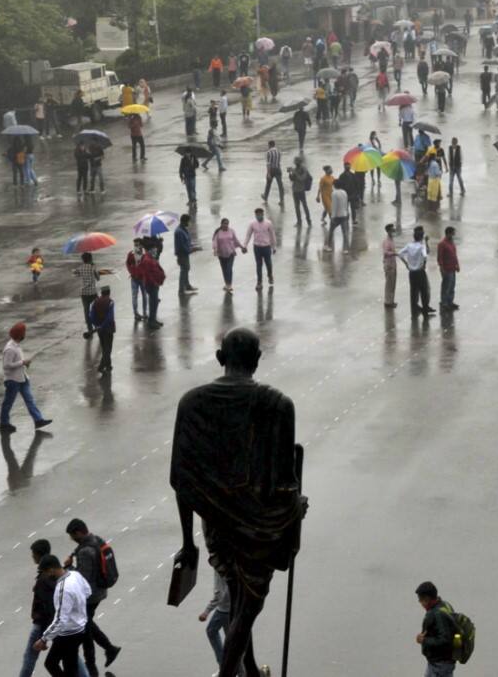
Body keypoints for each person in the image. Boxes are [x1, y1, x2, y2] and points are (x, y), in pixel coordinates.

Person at [170, 328, 307, 677]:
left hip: (217, 526)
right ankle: (232, 671)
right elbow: (284, 486)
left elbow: (182, 482)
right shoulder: (279, 405)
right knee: (246, 612)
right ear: (258, 359)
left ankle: (245, 668)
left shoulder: (192, 402)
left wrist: (188, 542)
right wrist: (296, 511)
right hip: (260, 530)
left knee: (238, 598)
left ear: (220, 358)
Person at [22, 541, 90, 677]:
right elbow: (87, 591)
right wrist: (77, 610)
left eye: (46, 572)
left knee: (67, 667)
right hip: (80, 627)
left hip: (69, 633)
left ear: (52, 569)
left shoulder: (62, 588)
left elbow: (60, 619)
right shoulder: (75, 575)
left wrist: (43, 639)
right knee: (54, 663)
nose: (46, 576)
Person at [64, 519, 121, 674]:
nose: (72, 539)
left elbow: (82, 578)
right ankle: (109, 649)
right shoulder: (96, 540)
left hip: (90, 595)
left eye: (73, 536)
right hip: (101, 590)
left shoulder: (84, 551)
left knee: (85, 630)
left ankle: (92, 666)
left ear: (79, 532)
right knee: (87, 624)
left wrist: (68, 566)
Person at [0, 322, 52, 433]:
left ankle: (38, 420)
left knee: (30, 400)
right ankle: (4, 423)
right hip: (13, 380)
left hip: (22, 378)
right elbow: (6, 365)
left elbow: (16, 362)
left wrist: (24, 363)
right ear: (20, 335)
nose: (25, 334)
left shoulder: (16, 346)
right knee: (8, 403)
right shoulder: (10, 349)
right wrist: (22, 362)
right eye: (24, 332)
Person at [415, 581, 458, 677]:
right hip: (439, 663)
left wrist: (424, 640)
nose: (420, 602)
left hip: (440, 665)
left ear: (427, 599)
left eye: (420, 599)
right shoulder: (445, 605)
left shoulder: (437, 614)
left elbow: (445, 640)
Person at [73, 253, 111, 338]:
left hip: (84, 293)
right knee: (98, 310)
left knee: (86, 312)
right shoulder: (92, 267)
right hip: (93, 293)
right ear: (90, 259)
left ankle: (89, 329)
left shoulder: (80, 268)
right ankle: (98, 327)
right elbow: (98, 278)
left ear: (83, 260)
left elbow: (75, 273)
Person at [399, 226, 435, 316]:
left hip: (411, 273)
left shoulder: (409, 245)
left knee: (413, 291)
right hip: (420, 272)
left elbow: (400, 253)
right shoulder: (421, 246)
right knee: (424, 291)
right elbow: (426, 255)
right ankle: (425, 308)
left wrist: (406, 264)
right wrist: (424, 264)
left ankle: (414, 308)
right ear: (421, 237)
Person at [199, 570, 231, 668]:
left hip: (224, 609)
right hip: (234, 606)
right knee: (232, 641)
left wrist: (206, 612)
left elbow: (219, 594)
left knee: (211, 631)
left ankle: (224, 666)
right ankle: (240, 671)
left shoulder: (219, 567)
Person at [244, 207, 277, 288]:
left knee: (268, 263)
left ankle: (270, 275)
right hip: (257, 247)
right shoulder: (252, 224)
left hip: (266, 247)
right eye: (257, 214)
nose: (258, 216)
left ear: (263, 214)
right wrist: (245, 245)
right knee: (259, 265)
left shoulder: (268, 223)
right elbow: (248, 235)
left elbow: (272, 235)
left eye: (260, 214)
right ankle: (259, 282)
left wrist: (274, 247)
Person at [212, 218, 246, 292]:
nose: (226, 225)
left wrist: (241, 247)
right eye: (224, 223)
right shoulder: (218, 232)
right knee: (224, 269)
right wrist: (215, 250)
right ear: (221, 224)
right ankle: (226, 283)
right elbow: (214, 241)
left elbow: (236, 240)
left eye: (227, 223)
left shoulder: (231, 231)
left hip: (231, 253)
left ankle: (229, 285)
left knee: (229, 269)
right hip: (221, 254)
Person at [87, 287, 116, 374]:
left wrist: (96, 325)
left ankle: (108, 365)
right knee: (108, 349)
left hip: (99, 329)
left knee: (104, 347)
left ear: (101, 293)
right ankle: (101, 366)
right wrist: (103, 325)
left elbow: (91, 316)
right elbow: (110, 317)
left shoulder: (95, 302)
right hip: (108, 328)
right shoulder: (110, 302)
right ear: (109, 293)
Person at [139, 244, 165, 330]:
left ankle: (153, 319)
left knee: (154, 302)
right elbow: (148, 274)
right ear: (150, 250)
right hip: (151, 285)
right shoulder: (147, 260)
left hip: (154, 284)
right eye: (155, 250)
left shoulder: (151, 258)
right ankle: (151, 321)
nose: (156, 252)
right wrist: (155, 283)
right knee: (153, 303)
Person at [174, 213, 197, 296]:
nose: (189, 223)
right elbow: (182, 246)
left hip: (185, 254)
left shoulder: (183, 229)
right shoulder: (179, 231)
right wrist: (191, 250)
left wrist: (192, 246)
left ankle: (187, 286)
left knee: (186, 269)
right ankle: (181, 290)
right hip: (182, 254)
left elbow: (187, 241)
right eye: (188, 221)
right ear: (184, 221)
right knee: (184, 271)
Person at [437, 227, 459, 309]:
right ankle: (444, 302)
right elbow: (440, 257)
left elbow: (454, 255)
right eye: (452, 233)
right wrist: (442, 268)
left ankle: (450, 301)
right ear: (448, 233)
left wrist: (457, 265)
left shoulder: (451, 243)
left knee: (452, 286)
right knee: (446, 286)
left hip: (452, 268)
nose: (453, 235)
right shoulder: (442, 244)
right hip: (446, 269)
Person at [326, 185, 351, 251]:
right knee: (345, 233)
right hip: (344, 215)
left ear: (334, 185)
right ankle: (346, 249)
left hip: (337, 216)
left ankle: (329, 246)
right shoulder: (344, 192)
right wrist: (347, 212)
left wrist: (332, 216)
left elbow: (334, 205)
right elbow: (346, 203)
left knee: (331, 231)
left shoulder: (334, 193)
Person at [289, 158, 313, 226]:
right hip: (295, 190)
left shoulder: (304, 169)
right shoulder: (295, 169)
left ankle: (309, 221)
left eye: (297, 162)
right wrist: (290, 173)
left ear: (300, 162)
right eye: (295, 162)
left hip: (301, 190)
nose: (295, 164)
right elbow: (292, 179)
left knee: (305, 206)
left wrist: (295, 172)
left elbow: (302, 179)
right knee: (297, 207)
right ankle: (299, 221)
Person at [263, 140, 285, 207]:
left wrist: (268, 173)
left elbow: (268, 164)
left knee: (268, 184)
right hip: (278, 169)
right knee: (280, 185)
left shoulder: (268, 152)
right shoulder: (278, 151)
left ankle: (265, 196)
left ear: (269, 145)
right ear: (274, 145)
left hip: (272, 170)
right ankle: (282, 200)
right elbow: (279, 161)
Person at [382, 223, 399, 308]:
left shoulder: (392, 240)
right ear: (388, 231)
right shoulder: (386, 241)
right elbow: (385, 252)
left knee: (393, 283)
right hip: (389, 265)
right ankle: (388, 302)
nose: (393, 231)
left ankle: (391, 300)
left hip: (393, 264)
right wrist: (394, 253)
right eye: (392, 230)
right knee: (389, 284)